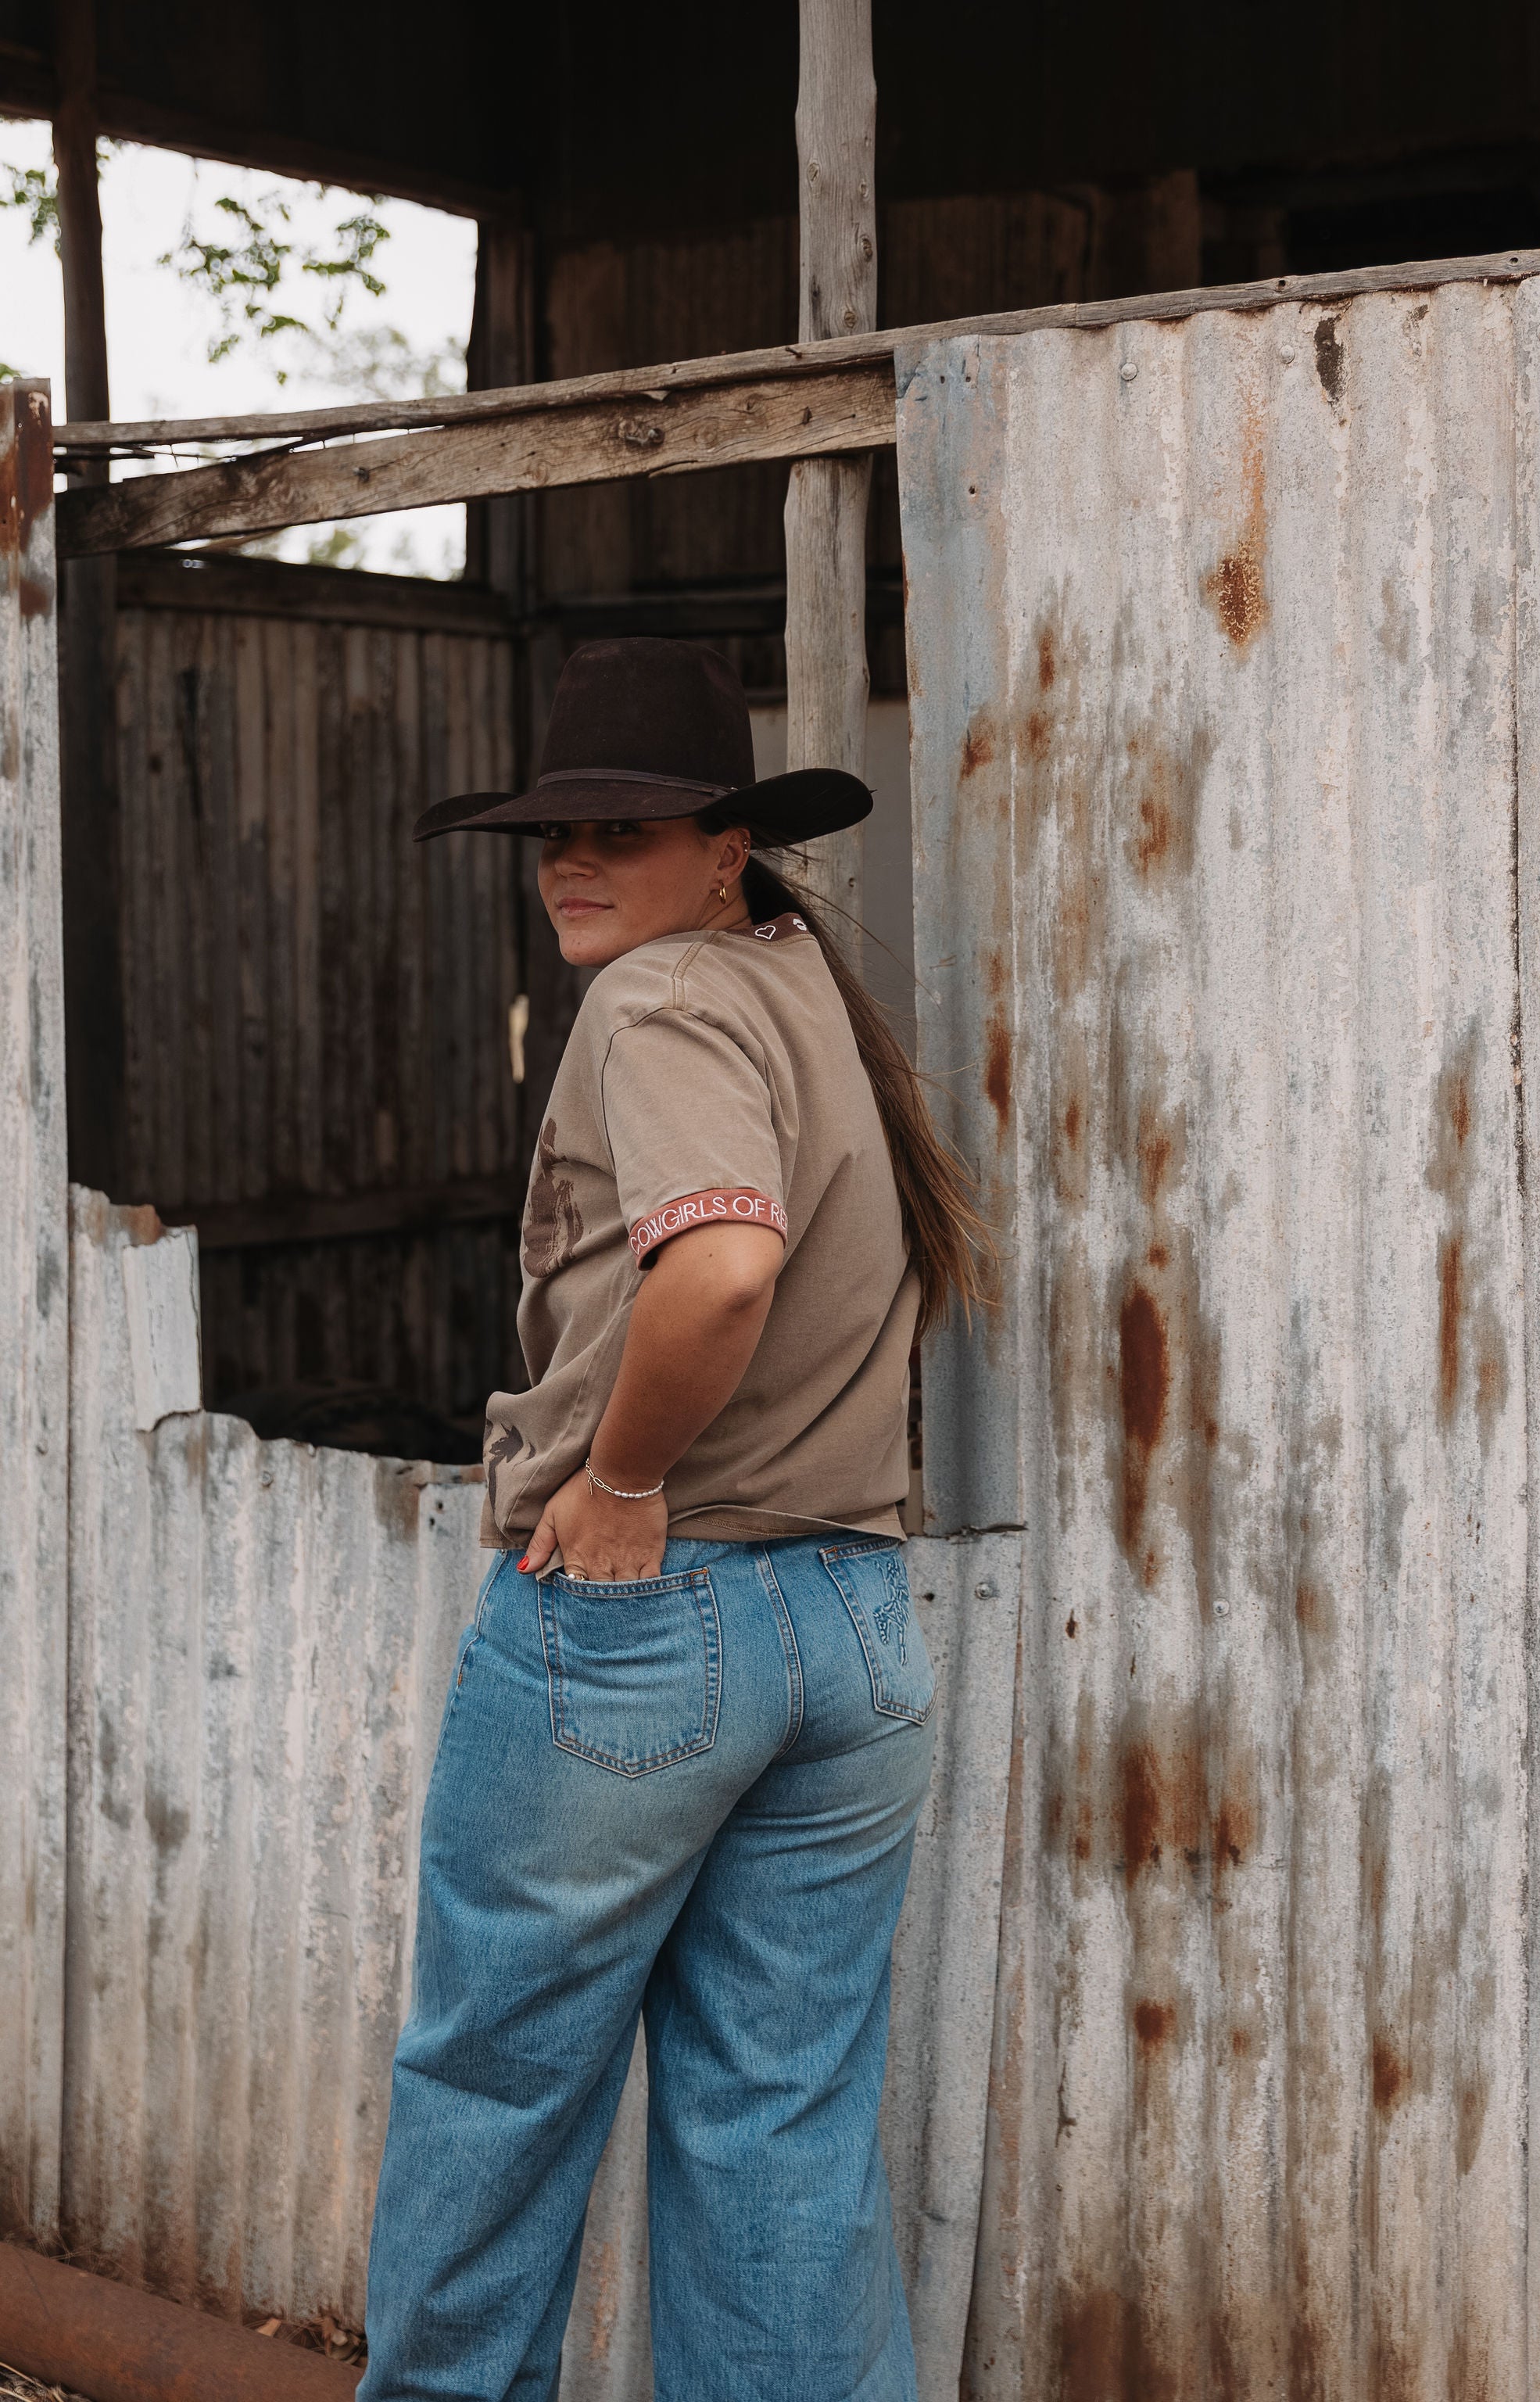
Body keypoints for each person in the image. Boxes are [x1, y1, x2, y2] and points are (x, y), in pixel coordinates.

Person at [360, 638, 989, 2402]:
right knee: (777, 2123)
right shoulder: (794, 989)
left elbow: (719, 1269)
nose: (574, 863)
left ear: (725, 845)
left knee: (494, 2091)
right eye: (556, 833)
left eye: (622, 831)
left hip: (655, 1623)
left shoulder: (658, 1002)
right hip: (850, 1637)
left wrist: (620, 1480)